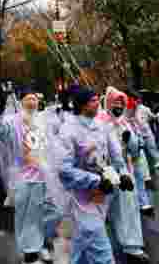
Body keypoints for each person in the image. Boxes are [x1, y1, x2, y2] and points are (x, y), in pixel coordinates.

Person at [0, 86, 62, 263]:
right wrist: (0, 107)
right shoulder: (12, 121)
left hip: (46, 175)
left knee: (53, 211)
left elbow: (55, 139)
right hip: (24, 177)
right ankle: (30, 254)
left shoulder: (43, 121)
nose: (32, 102)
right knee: (28, 216)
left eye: (34, 98)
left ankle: (44, 243)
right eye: (28, 99)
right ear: (21, 102)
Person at [57, 87, 123, 264]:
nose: (97, 104)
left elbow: (109, 157)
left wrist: (121, 174)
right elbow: (64, 168)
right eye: (93, 101)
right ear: (83, 105)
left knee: (82, 246)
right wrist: (95, 181)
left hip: (101, 197)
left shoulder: (100, 126)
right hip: (80, 199)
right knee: (101, 249)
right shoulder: (68, 130)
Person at [99, 88, 149, 263]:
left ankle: (132, 247)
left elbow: (135, 152)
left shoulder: (125, 123)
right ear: (108, 103)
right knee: (100, 215)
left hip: (125, 172)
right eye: (115, 102)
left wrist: (131, 140)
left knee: (129, 208)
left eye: (121, 103)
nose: (119, 106)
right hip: (105, 173)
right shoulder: (99, 122)